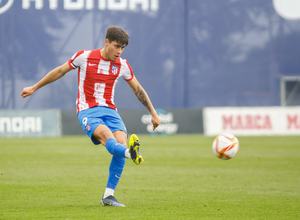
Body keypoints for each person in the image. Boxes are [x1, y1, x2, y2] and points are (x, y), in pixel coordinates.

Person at [21, 26, 161, 207]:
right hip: (88, 110)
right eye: (117, 46)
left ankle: (108, 196)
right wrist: (34, 87)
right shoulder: (84, 57)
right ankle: (131, 154)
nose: (119, 51)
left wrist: (153, 112)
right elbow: (60, 71)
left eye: (122, 48)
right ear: (106, 42)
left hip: (110, 111)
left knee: (121, 142)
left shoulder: (122, 65)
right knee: (107, 138)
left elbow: (138, 89)